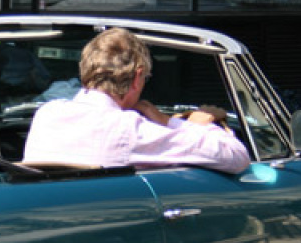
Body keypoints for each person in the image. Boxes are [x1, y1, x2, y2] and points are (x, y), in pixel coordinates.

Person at [22, 28, 251, 171]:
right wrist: (183, 124)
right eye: (146, 79)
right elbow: (237, 157)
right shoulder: (127, 128)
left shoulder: (47, 114)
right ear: (137, 77)